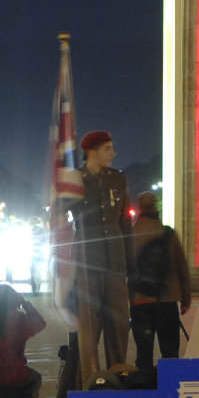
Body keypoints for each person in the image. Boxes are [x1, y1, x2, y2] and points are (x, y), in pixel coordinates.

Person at [71, 130, 134, 384]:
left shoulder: (117, 179)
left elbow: (123, 221)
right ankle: (89, 384)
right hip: (87, 260)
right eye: (108, 148)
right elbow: (60, 216)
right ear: (92, 151)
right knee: (89, 328)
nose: (113, 153)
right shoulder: (74, 179)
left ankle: (117, 379)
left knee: (118, 324)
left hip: (115, 261)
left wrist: (130, 261)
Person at [127, 190, 196, 369]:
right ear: (156, 208)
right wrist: (186, 299)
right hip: (166, 300)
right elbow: (182, 267)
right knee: (170, 351)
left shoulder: (130, 235)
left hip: (140, 301)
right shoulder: (168, 234)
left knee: (143, 352)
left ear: (140, 209)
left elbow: (125, 269)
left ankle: (144, 390)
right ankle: (170, 389)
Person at [0, 283, 49, 398]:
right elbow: (41, 324)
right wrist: (25, 303)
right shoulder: (20, 319)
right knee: (35, 378)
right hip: (15, 374)